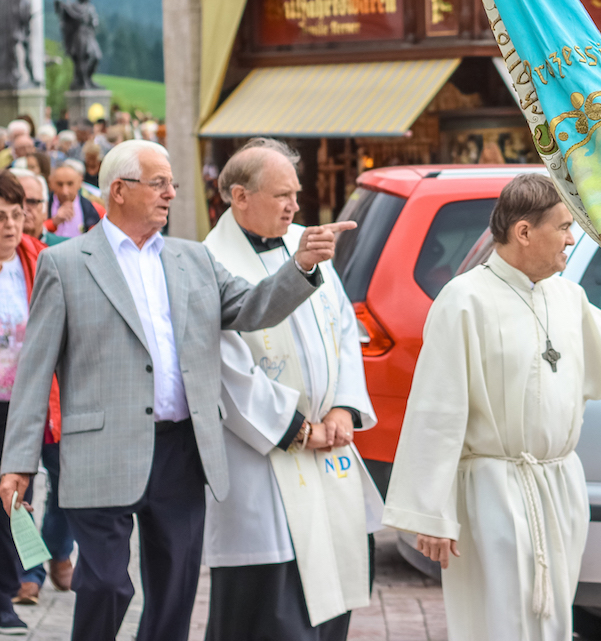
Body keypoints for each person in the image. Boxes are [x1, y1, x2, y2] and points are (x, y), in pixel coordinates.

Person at [0, 139, 356, 641]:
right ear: (118, 191)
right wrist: (17, 463)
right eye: (159, 184)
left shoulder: (194, 261)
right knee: (106, 584)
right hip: (100, 450)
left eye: (172, 184)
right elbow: (35, 373)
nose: (172, 193)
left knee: (174, 593)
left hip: (181, 451)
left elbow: (255, 308)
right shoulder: (68, 264)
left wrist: (299, 267)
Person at [384, 173, 601, 641]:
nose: (572, 239)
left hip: (559, 484)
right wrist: (431, 512)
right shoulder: (465, 300)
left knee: (551, 617)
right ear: (524, 231)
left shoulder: (568, 297)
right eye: (563, 227)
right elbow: (436, 410)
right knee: (500, 620)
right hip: (493, 489)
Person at [201, 139, 382, 640]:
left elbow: (343, 325)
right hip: (264, 456)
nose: (294, 205)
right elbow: (225, 366)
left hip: (328, 448)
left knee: (335, 580)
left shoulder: (305, 241)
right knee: (271, 605)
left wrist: (344, 409)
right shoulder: (211, 261)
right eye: (282, 194)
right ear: (239, 197)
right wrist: (298, 429)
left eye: (296, 194)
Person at [9, 170, 73, 606]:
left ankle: (57, 549)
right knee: (19, 488)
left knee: (68, 481)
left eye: (33, 204)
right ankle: (26, 571)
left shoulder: (51, 258)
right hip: (13, 401)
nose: (27, 213)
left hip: (52, 396)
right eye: (19, 205)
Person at [0, 171, 45, 631]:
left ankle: (6, 594)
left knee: (13, 501)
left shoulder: (36, 261)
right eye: (0, 217)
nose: (11, 225)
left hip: (23, 406)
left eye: (17, 214)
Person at [45, 161, 101, 241]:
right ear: (51, 183)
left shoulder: (92, 209)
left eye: (70, 184)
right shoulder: (42, 205)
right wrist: (53, 223)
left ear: (79, 182)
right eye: (59, 184)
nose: (65, 191)